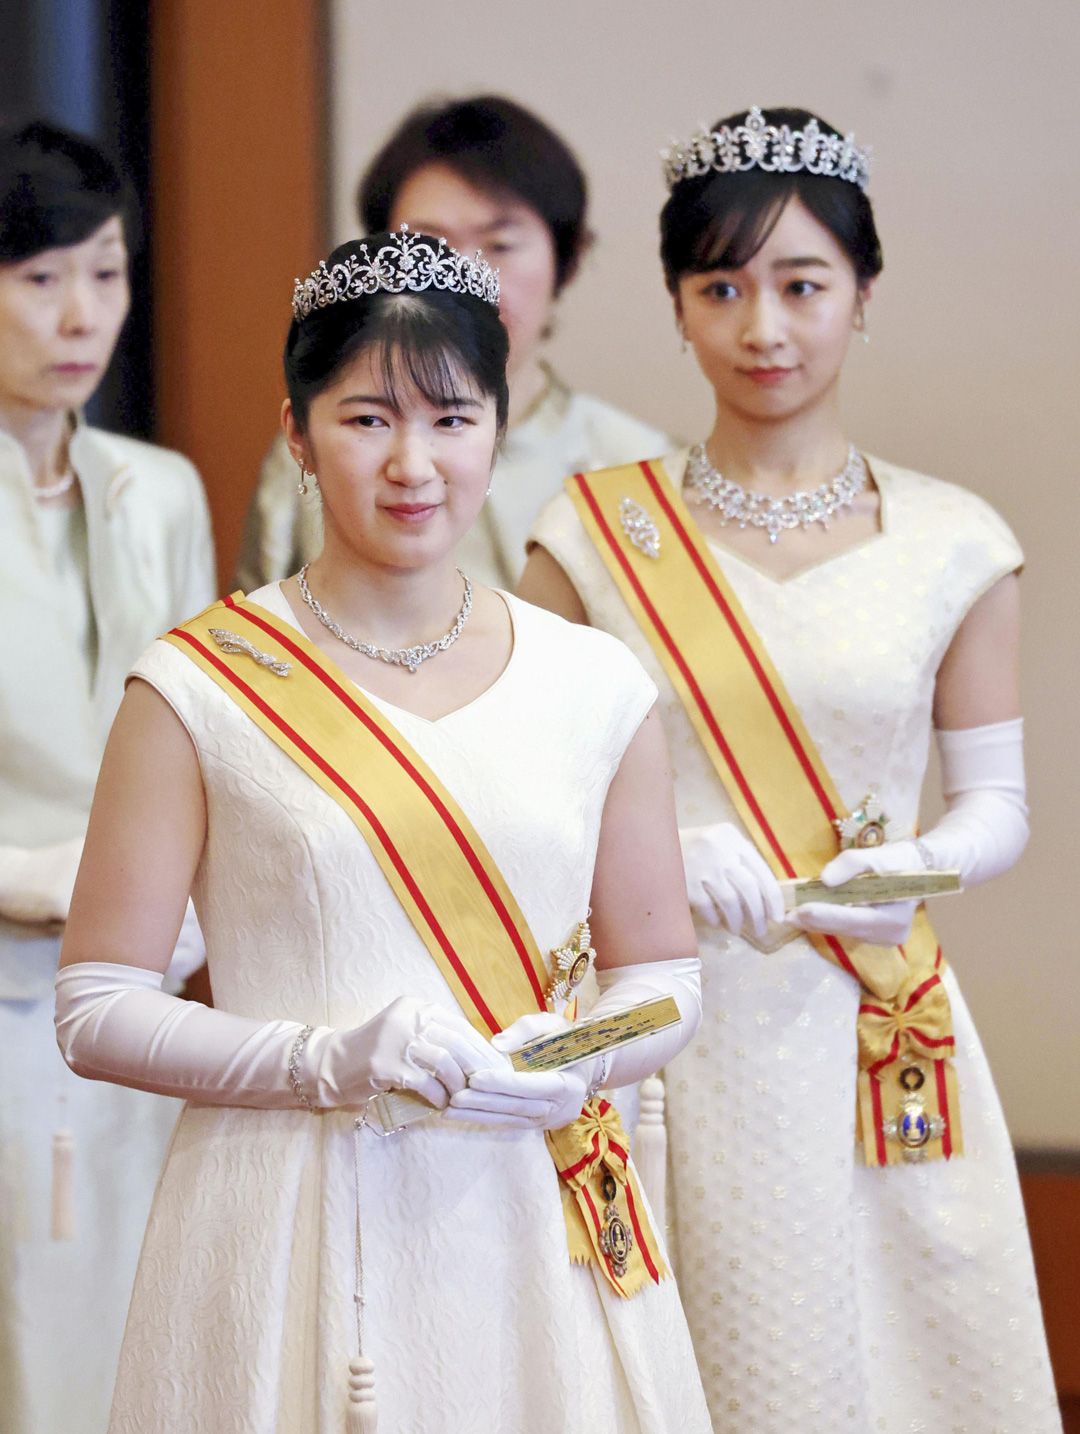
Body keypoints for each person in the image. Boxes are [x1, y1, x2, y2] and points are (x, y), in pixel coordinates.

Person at [54, 227, 713, 1433]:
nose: (415, 463)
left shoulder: (594, 682)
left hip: (532, 1207)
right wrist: (323, 1061)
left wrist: (567, 1058)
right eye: (368, 419)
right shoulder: (203, 684)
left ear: (497, 431)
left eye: (453, 419)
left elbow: (665, 980)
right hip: (284, 1215)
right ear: (298, 434)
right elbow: (96, 1007)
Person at [520, 106, 1062, 1432]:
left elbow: (998, 804)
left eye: (803, 285)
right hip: (664, 1026)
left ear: (863, 296)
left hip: (871, 1016)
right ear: (676, 304)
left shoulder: (953, 541)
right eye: (723, 288)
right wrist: (655, 852)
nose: (764, 326)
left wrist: (915, 864)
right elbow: (520, 792)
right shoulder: (594, 535)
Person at [0, 120, 215, 1433]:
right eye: (40, 277)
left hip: (141, 989)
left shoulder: (160, 489)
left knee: (144, 1325)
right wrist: (30, 874)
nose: (82, 314)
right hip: (9, 970)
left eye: (107, 272)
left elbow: (204, 732)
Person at [236, 95, 671, 593]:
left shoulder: (636, 461)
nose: (465, 275)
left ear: (566, 259)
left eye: (500, 245)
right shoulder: (322, 449)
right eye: (431, 245)